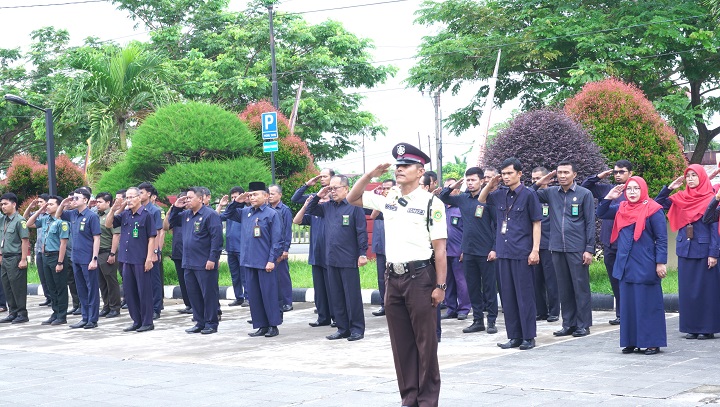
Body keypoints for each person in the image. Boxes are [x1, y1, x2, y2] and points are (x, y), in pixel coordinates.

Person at [347, 143, 447, 407]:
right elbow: (352, 198)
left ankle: (427, 400)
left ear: (420, 171)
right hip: (393, 278)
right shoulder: (390, 198)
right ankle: (409, 398)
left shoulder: (431, 203)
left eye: (406, 166)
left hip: (421, 277)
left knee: (426, 344)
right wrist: (370, 175)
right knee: (401, 344)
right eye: (398, 165)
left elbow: (440, 249)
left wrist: (440, 285)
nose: (400, 169)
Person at [598, 177, 667, 355]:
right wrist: (609, 196)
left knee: (648, 304)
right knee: (629, 304)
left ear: (643, 189)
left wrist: (661, 262)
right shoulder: (622, 208)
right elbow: (601, 213)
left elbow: (661, 239)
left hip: (646, 263)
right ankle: (631, 341)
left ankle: (652, 342)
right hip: (625, 264)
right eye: (629, 189)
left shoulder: (653, 210)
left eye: (636, 188)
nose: (633, 192)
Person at [479, 158, 542, 350]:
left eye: (509, 173)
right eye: (503, 174)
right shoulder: (499, 195)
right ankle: (514, 336)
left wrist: (535, 250)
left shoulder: (529, 195)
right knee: (507, 296)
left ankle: (528, 337)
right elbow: (481, 200)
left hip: (522, 252)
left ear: (519, 174)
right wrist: (490, 183)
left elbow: (536, 222)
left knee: (524, 297)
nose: (506, 177)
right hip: (504, 252)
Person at [657, 164, 720, 340]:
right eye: (688, 175)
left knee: (706, 290)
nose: (691, 179)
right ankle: (691, 327)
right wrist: (669, 188)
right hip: (685, 249)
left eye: (694, 175)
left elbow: (715, 228)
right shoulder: (681, 197)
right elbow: (657, 204)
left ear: (702, 177)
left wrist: (714, 253)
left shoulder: (711, 198)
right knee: (688, 290)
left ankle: (707, 328)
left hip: (705, 250)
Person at [533, 161, 595, 337]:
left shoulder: (584, 194)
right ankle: (568, 323)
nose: (562, 176)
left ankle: (583, 324)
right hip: (557, 247)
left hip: (577, 247)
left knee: (580, 286)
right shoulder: (551, 193)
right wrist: (542, 180)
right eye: (559, 172)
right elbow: (530, 193)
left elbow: (590, 222)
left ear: (574, 174)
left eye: (566, 172)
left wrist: (589, 249)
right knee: (564, 287)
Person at [307, 175, 368, 342]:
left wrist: (362, 254)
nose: (332, 192)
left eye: (335, 188)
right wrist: (319, 195)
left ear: (346, 188)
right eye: (330, 189)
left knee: (352, 296)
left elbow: (361, 232)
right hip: (331, 258)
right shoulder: (327, 207)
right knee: (336, 296)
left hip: (349, 259)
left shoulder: (355, 207)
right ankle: (342, 328)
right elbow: (310, 210)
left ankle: (356, 329)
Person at [438, 167, 498, 334]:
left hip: (486, 252)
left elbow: (496, 225)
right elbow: (443, 197)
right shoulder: (462, 198)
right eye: (468, 180)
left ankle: (491, 321)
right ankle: (478, 320)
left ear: (481, 181)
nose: (470, 183)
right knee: (472, 287)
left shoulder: (488, 200)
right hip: (467, 251)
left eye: (473, 180)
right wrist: (452, 186)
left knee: (488, 288)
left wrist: (494, 249)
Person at [224, 182, 284, 338]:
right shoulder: (245, 212)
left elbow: (277, 240)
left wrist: (272, 260)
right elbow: (228, 214)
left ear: (265, 196)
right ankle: (261, 325)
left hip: (265, 262)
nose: (252, 197)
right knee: (254, 296)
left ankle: (273, 325)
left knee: (268, 294)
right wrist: (237, 201)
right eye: (250, 195)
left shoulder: (272, 214)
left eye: (256, 194)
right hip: (249, 261)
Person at [581, 160, 634, 325]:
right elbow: (584, 188)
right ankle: (620, 314)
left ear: (630, 173)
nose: (618, 175)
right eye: (616, 172)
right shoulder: (607, 189)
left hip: (628, 244)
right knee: (615, 279)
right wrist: (598, 176)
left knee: (628, 278)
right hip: (609, 243)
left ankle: (631, 312)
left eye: (622, 172)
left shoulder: (634, 190)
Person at [168, 187, 223, 335]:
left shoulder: (210, 215)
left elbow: (216, 239)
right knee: (194, 294)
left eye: (190, 198)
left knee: (208, 294)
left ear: (200, 198)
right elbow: (171, 222)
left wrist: (212, 258)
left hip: (204, 262)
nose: (187, 200)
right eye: (186, 198)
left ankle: (211, 323)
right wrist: (176, 207)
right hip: (188, 261)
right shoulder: (186, 215)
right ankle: (199, 321)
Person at [106, 187, 157, 332]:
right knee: (130, 292)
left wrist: (149, 258)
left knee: (144, 291)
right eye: (127, 198)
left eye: (131, 197)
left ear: (139, 197)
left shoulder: (146, 215)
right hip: (125, 259)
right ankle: (136, 320)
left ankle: (147, 322)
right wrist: (113, 209)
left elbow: (151, 238)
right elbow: (108, 224)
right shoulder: (125, 214)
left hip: (140, 259)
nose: (128, 200)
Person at [56, 189, 102, 329]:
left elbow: (96, 238)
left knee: (91, 289)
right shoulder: (72, 214)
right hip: (75, 258)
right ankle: (84, 317)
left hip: (88, 258)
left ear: (86, 200)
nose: (73, 200)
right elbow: (57, 216)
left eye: (77, 198)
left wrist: (94, 259)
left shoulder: (91, 216)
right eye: (73, 198)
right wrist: (63, 203)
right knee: (81, 289)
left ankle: (92, 319)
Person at [27, 196, 70, 325]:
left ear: (58, 206)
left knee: (60, 287)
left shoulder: (62, 223)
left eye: (51, 204)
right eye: (48, 204)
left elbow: (63, 244)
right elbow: (29, 223)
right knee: (51, 287)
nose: (48, 206)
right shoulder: (45, 219)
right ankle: (55, 312)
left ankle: (62, 315)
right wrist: (40, 210)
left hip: (56, 256)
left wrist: (60, 262)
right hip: (46, 256)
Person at [294, 194, 334, 327]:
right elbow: (296, 220)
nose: (322, 202)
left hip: (330, 257)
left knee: (332, 289)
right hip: (316, 256)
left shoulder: (331, 213)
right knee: (319, 290)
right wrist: (305, 206)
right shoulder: (314, 215)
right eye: (320, 199)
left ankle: (337, 317)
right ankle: (323, 317)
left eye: (325, 199)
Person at [437, 179, 471, 321]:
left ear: (457, 190)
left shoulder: (461, 208)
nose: (449, 190)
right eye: (446, 188)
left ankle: (464, 309)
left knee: (461, 281)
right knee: (448, 281)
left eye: (452, 188)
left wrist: (464, 249)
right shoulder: (441, 208)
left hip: (458, 250)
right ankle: (451, 308)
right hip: (444, 251)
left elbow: (467, 230)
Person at [531, 167, 560, 323]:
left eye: (539, 178)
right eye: (533, 179)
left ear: (547, 179)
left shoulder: (553, 194)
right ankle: (540, 311)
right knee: (536, 281)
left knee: (551, 280)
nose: (536, 181)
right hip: (534, 246)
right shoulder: (530, 196)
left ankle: (554, 311)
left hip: (550, 244)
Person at [0, 193, 30, 324]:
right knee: (7, 286)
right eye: (1, 204)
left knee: (18, 287)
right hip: (5, 257)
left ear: (14, 204)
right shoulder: (3, 220)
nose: (2, 207)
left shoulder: (20, 221)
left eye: (5, 204)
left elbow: (25, 241)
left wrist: (24, 259)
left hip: (15, 257)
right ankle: (13, 312)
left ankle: (22, 313)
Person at [216, 187, 249, 307]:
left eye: (237, 197)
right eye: (233, 198)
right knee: (235, 275)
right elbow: (216, 217)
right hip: (231, 248)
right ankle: (239, 297)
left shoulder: (246, 211)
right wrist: (220, 206)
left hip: (242, 248)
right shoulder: (231, 212)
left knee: (245, 275)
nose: (234, 200)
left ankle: (248, 297)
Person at [369, 179, 396, 317]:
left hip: (394, 246)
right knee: (381, 277)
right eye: (384, 188)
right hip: (380, 244)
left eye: (388, 188)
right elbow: (373, 216)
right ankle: (383, 304)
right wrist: (381, 199)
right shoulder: (380, 203)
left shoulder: (398, 203)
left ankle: (394, 305)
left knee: (395, 276)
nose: (385, 190)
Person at [138, 182, 164, 320]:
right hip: (140, 250)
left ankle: (156, 308)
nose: (139, 195)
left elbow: (159, 232)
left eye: (141, 192)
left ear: (148, 194)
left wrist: (155, 252)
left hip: (151, 250)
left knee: (154, 281)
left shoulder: (155, 211)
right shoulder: (137, 210)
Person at [95, 192, 122, 318]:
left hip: (107, 252)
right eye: (97, 202)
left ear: (108, 203)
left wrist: (112, 253)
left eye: (100, 202)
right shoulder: (96, 216)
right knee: (102, 282)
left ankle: (115, 307)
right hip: (98, 253)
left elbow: (116, 235)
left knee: (111, 281)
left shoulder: (111, 216)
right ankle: (106, 306)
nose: (97, 204)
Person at [165, 191, 192, 314]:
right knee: (182, 280)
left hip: (190, 253)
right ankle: (188, 305)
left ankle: (195, 305)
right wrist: (171, 210)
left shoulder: (191, 215)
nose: (184, 202)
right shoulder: (177, 215)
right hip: (178, 252)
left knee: (191, 281)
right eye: (181, 200)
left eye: (186, 199)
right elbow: (166, 226)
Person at [23, 194, 52, 307]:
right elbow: (25, 218)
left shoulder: (50, 216)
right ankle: (48, 297)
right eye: (38, 202)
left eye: (41, 202)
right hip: (39, 249)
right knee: (42, 275)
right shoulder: (39, 216)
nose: (39, 204)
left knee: (49, 275)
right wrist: (31, 206)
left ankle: (53, 298)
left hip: (48, 250)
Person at [268, 184, 293, 312]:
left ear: (280, 195)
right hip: (268, 249)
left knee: (282, 276)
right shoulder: (266, 209)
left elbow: (287, 230)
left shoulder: (285, 210)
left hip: (280, 249)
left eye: (273, 193)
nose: (270, 196)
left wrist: (285, 249)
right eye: (269, 193)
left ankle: (287, 302)